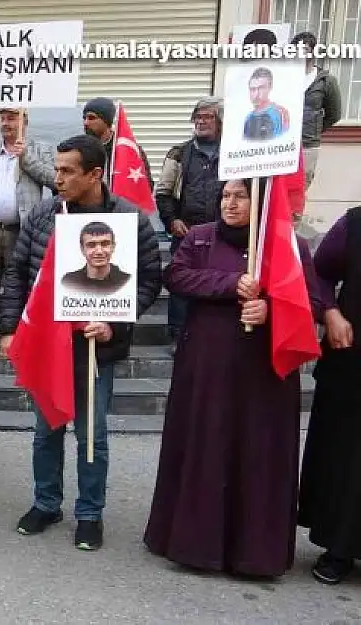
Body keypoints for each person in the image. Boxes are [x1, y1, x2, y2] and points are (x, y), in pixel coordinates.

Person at [143, 178, 324, 578]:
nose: (231, 203)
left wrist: (271, 309)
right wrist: (230, 284)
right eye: (225, 195)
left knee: (256, 453)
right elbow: (178, 277)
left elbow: (311, 300)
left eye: (241, 196)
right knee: (203, 446)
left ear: (259, 201)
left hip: (264, 376)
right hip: (206, 369)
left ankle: (253, 553)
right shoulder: (201, 238)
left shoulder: (289, 244)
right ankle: (193, 545)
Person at [0, 134, 162, 551]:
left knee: (93, 433)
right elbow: (17, 271)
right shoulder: (42, 214)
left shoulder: (131, 219)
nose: (58, 179)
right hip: (47, 344)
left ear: (95, 174)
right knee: (45, 429)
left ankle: (90, 513)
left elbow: (146, 283)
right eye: (56, 169)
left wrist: (114, 324)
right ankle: (46, 502)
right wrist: (9, 327)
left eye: (68, 171)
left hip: (96, 346)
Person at [297, 206, 361, 584]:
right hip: (352, 363)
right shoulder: (353, 224)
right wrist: (332, 313)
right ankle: (339, 549)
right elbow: (318, 274)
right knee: (345, 460)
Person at [0, 107, 56, 354]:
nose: (6, 123)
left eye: (12, 118)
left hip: (23, 231)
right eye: (2, 118)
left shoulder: (38, 149)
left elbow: (56, 180)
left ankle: (19, 331)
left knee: (22, 282)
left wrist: (27, 159)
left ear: (24, 120)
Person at [156, 98, 225, 349]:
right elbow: (162, 192)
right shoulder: (178, 153)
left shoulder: (234, 153)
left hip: (222, 234)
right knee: (181, 284)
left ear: (220, 121)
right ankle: (178, 337)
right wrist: (171, 220)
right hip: (186, 232)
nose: (201, 121)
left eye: (208, 116)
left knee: (218, 283)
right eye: (198, 116)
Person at [292, 32, 343, 189]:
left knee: (299, 189)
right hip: (284, 144)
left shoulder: (326, 81)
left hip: (308, 146)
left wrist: (314, 129)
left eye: (305, 49)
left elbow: (334, 115)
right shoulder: (287, 77)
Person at [82, 97, 153, 187]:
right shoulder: (81, 149)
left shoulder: (128, 148)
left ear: (106, 121)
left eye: (91, 118)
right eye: (84, 118)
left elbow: (145, 185)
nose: (86, 122)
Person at [59, 221, 132, 295]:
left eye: (105, 244)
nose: (99, 252)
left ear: (113, 247)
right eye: (91, 245)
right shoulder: (69, 282)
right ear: (82, 249)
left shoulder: (128, 281)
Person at [243, 67, 290, 142]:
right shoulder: (248, 118)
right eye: (253, 89)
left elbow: (284, 143)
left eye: (261, 88)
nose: (256, 94)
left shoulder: (280, 113)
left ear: (270, 87)